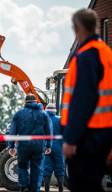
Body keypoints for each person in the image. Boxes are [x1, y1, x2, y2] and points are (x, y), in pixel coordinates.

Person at [61, 9, 112, 192]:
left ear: (78, 28)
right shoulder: (106, 53)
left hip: (88, 135)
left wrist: (71, 139)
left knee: (82, 185)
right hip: (104, 132)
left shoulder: (87, 57)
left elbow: (83, 101)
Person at [8, 94, 52, 192]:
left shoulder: (19, 114)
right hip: (38, 146)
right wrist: (48, 145)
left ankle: (24, 187)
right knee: (36, 168)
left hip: (23, 146)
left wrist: (11, 146)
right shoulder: (43, 114)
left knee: (22, 166)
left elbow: (12, 131)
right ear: (36, 101)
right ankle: (35, 189)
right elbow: (49, 131)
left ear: (25, 102)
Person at [43, 104, 64, 192]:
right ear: (55, 110)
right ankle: (60, 189)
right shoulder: (60, 119)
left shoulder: (43, 120)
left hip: (47, 147)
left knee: (47, 168)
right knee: (60, 168)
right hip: (59, 147)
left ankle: (47, 189)